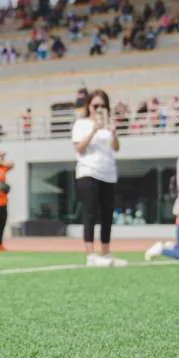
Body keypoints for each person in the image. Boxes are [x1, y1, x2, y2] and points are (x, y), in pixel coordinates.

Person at [72, 90, 124, 267]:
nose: (99, 109)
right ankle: (91, 255)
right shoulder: (81, 124)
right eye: (95, 105)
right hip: (88, 171)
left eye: (103, 106)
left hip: (108, 173)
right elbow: (79, 148)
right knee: (90, 212)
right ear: (88, 106)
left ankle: (106, 252)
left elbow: (116, 148)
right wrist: (94, 130)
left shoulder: (108, 127)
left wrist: (114, 133)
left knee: (107, 214)